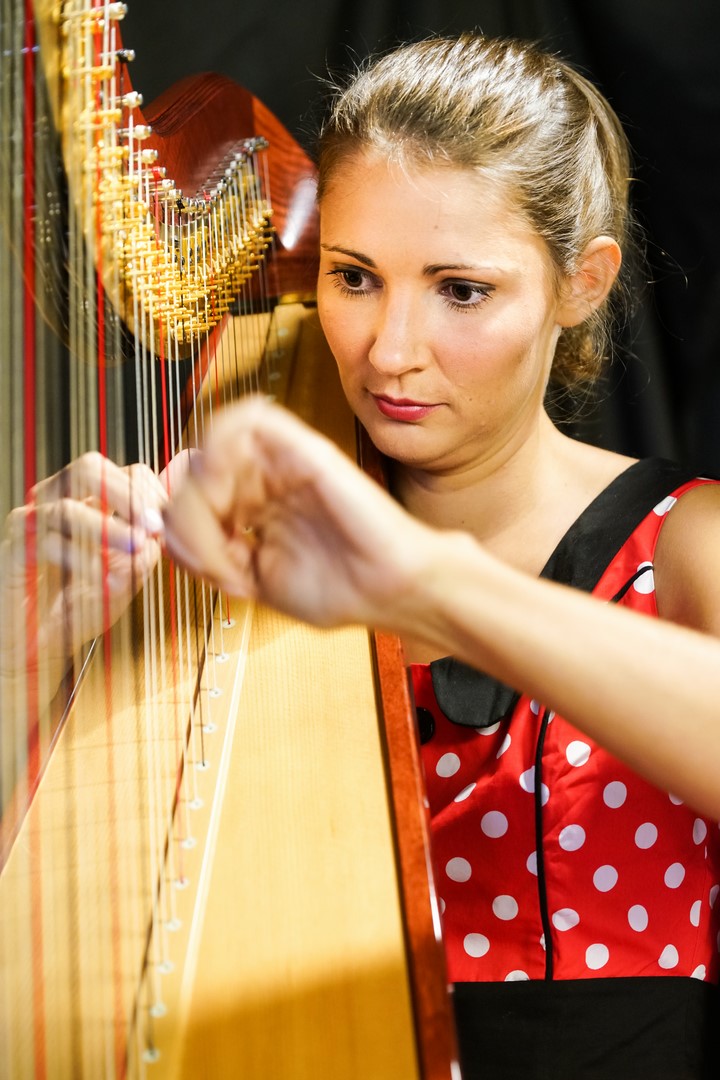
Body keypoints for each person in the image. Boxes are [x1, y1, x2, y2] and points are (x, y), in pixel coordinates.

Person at [161, 34, 720, 1080]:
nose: (389, 349)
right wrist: (25, 649)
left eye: (460, 290)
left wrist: (429, 583)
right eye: (355, 277)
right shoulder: (236, 554)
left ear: (581, 282)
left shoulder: (687, 541)